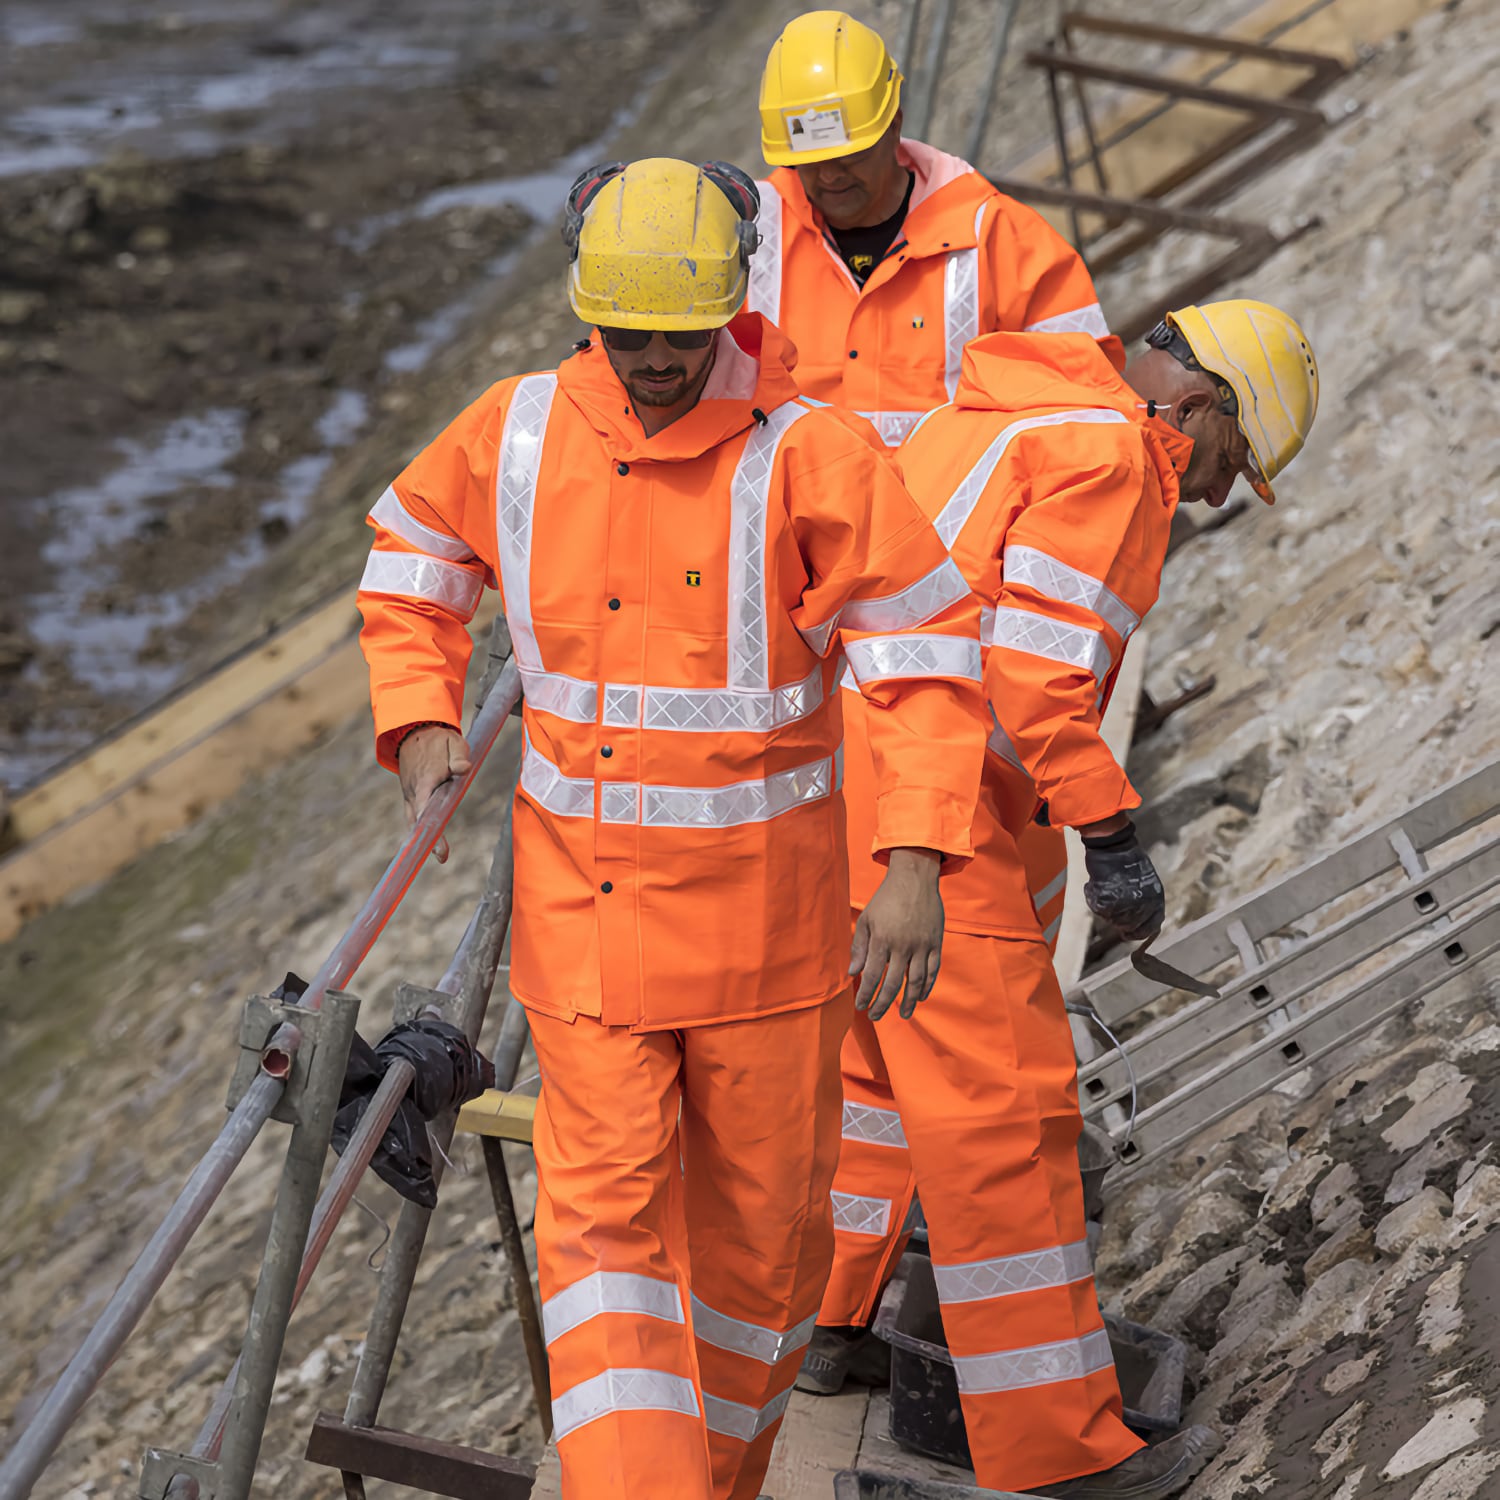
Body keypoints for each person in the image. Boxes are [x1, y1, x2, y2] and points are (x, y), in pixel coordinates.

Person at [355, 156, 989, 1500]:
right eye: (628, 331)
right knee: (603, 1250)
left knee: (763, 1267)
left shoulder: (806, 454)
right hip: (588, 945)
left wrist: (917, 862)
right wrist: (419, 718)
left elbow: (925, 659)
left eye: (681, 335)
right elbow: (411, 564)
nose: (654, 359)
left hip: (768, 953)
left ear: (731, 310)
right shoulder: (516, 431)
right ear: (587, 309)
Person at [807, 302, 1320, 1499]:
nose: (1216, 495)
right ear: (1200, 407)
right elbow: (1033, 677)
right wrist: (1111, 836)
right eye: (1233, 464)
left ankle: (830, 1325)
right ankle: (1056, 1450)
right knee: (1009, 1125)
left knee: (874, 1087)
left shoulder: (1010, 409)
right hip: (926, 816)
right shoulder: (1114, 461)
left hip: (827, 785)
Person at [753, 7, 1124, 951]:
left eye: (846, 156)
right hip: (795, 621)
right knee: (800, 886)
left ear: (892, 123)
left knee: (986, 873)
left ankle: (1014, 987)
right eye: (807, 163)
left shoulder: (1001, 244)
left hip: (956, 620)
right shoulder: (748, 241)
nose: (827, 180)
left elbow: (1088, 424)